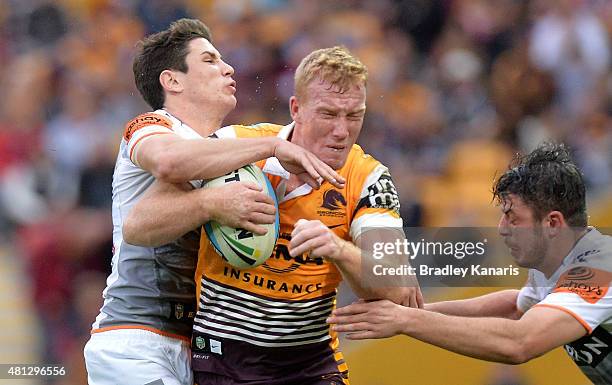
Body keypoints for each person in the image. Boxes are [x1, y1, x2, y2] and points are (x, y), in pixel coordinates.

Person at [124, 46, 423, 385]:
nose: (342, 131)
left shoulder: (368, 177)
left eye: (354, 116)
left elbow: (398, 288)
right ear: (296, 108)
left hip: (312, 361)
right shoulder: (237, 145)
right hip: (223, 355)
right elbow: (139, 225)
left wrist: (339, 250)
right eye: (328, 114)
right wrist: (210, 202)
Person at [83, 19, 344, 385]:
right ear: (172, 80)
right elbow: (167, 164)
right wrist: (269, 147)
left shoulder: (226, 148)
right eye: (209, 60)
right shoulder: (150, 126)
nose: (228, 67)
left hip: (198, 349)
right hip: (135, 338)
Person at [329, 143, 612, 385]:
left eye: (513, 218)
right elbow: (516, 306)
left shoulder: (598, 272)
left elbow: (520, 342)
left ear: (552, 223)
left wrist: (406, 320)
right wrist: (415, 310)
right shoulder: (556, 263)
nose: (501, 228)